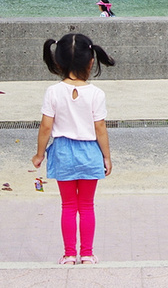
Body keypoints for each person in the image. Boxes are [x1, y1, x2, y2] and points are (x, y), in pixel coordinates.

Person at [32, 33, 114, 265]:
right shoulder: (97, 94)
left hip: (62, 151)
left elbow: (46, 127)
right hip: (90, 152)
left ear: (58, 62)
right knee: (87, 206)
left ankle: (69, 254)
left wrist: (39, 154)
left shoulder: (53, 92)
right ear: (91, 61)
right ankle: (86, 254)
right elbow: (100, 129)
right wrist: (106, 157)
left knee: (68, 205)